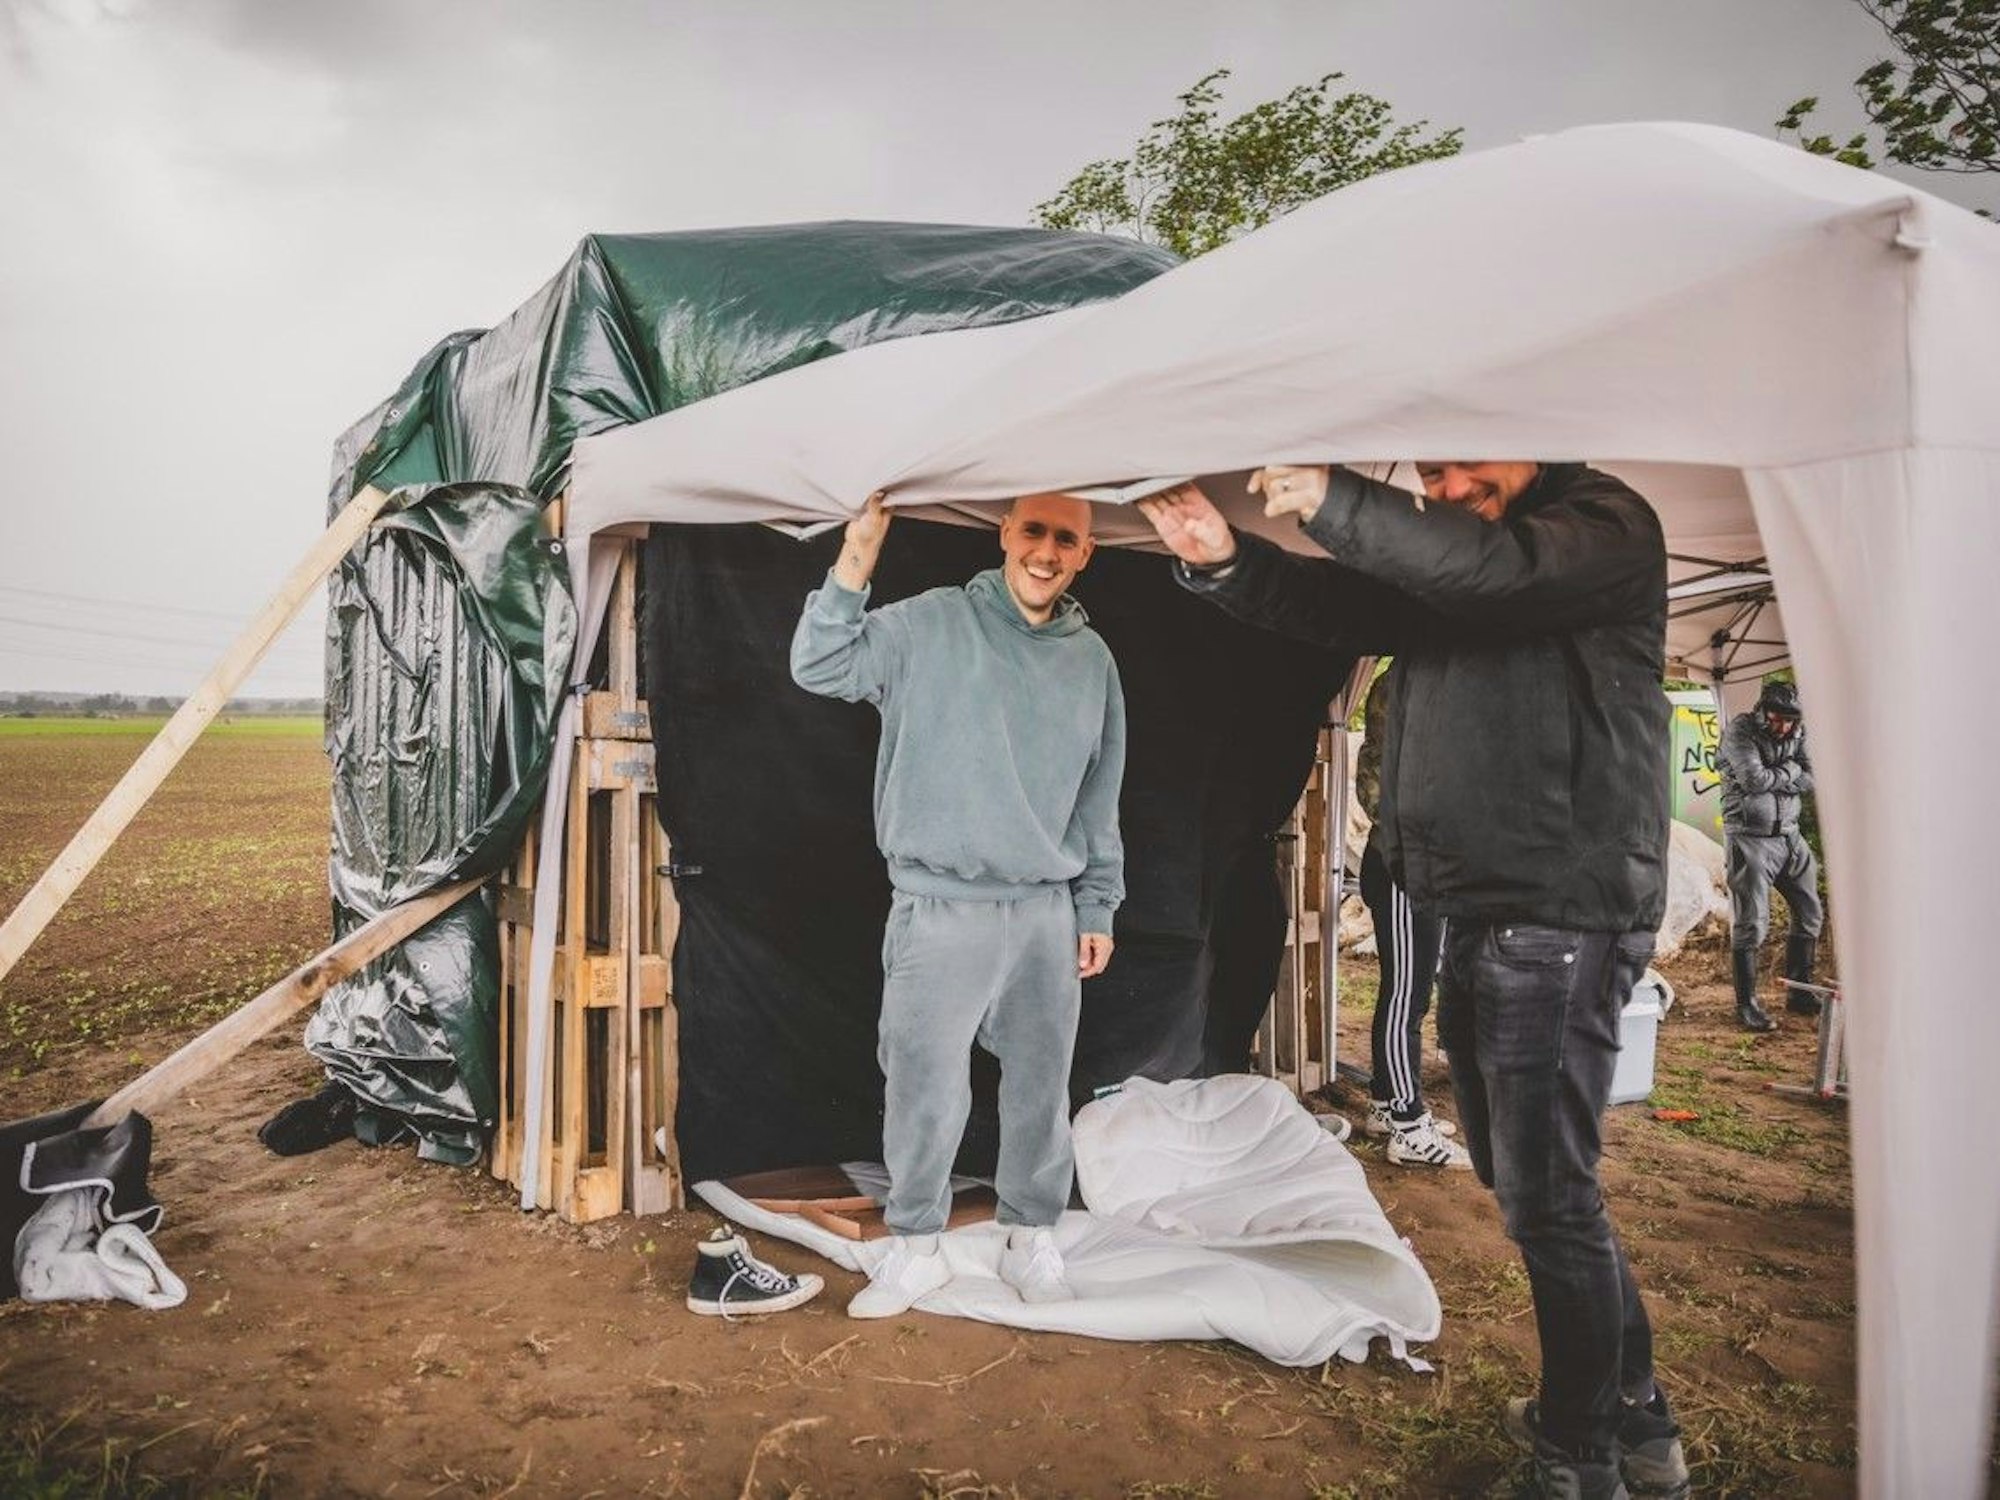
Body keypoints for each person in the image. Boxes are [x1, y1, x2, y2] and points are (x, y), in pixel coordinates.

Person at [1139, 462, 1687, 1500]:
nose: (1442, 482)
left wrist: (1337, 499)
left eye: (1461, 459)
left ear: (1528, 440)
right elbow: (1341, 600)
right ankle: (1634, 1420)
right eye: (1426, 469)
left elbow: (1493, 572)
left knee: (1548, 1197)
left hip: (1554, 910)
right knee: (1526, 1185)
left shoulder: (1595, 528)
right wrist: (1224, 559)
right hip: (1485, 906)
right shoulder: (1460, 570)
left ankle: (1579, 1459)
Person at [790, 491, 1126, 1320]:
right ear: (1006, 534)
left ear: (1086, 553)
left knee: (1041, 1088)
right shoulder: (930, 625)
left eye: (1066, 539)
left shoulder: (1094, 663)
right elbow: (819, 664)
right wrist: (858, 550)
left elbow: (1098, 800)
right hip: (940, 906)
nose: (1046, 551)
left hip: (1045, 912)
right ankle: (915, 1249)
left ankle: (1031, 1234)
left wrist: (1097, 908)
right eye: (1034, 531)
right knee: (923, 1085)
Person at [1353, 665, 1469, 1169]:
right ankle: (1407, 1125)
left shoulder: (1441, 685)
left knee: (1412, 991)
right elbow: (1375, 781)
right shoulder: (1403, 684)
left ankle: (1385, 1101)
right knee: (1406, 996)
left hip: (1426, 864)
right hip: (1404, 865)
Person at [1716, 679, 1823, 1033]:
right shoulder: (1741, 730)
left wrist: (1789, 772)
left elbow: (1814, 774)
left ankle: (1800, 992)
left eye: (1790, 721)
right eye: (1777, 719)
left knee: (1810, 913)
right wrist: (1792, 770)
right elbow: (1753, 779)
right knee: (1752, 923)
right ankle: (1746, 1005)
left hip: (1791, 836)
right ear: (1764, 710)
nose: (1784, 727)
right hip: (1750, 838)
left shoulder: (1799, 730)